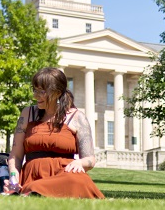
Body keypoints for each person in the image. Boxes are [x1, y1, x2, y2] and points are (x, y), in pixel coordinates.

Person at [6, 67, 105, 199]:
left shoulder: (77, 117)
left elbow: (90, 159)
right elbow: (15, 156)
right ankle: (34, 189)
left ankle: (37, 191)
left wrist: (80, 163)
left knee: (77, 180)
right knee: (32, 186)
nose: (36, 96)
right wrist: (13, 178)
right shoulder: (27, 114)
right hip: (33, 175)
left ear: (57, 93)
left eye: (41, 92)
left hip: (66, 174)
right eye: (35, 90)